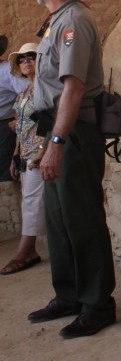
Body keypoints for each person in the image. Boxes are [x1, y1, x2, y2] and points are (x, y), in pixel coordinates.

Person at [22, 0, 117, 339]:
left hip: (74, 132)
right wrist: (47, 140)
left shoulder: (73, 21)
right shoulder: (58, 21)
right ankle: (70, 295)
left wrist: (58, 142)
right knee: (60, 220)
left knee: (82, 219)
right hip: (58, 129)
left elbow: (73, 89)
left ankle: (98, 304)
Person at [1, 43, 45, 275]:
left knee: (32, 200)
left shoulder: (45, 89)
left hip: (39, 151)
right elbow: (22, 124)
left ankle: (25, 252)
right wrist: (16, 154)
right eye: (21, 58)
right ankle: (29, 251)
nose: (26, 61)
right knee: (30, 200)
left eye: (31, 56)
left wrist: (44, 149)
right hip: (26, 151)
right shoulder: (25, 91)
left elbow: (51, 121)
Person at [0, 34, 27, 182]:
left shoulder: (7, 70)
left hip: (2, 128)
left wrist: (22, 117)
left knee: (3, 173)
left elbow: (29, 92)